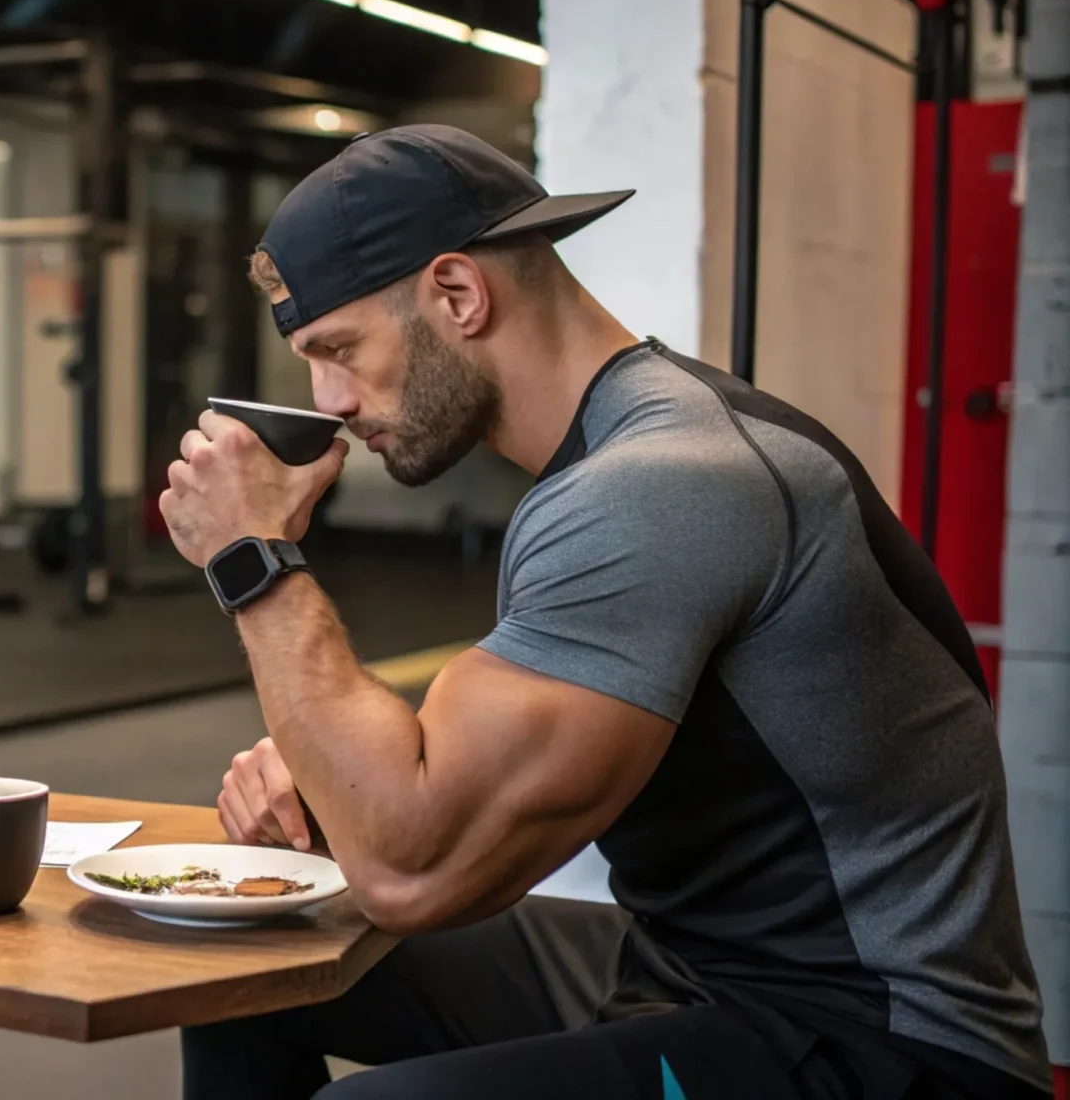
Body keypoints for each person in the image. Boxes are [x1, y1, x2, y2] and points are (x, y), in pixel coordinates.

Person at [158, 125, 1049, 1100]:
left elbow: (416, 868)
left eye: (338, 349)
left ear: (457, 294)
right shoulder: (615, 458)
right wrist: (338, 773)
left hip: (874, 1038)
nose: (327, 400)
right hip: (686, 967)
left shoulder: (659, 482)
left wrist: (252, 558)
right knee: (239, 973)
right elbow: (470, 778)